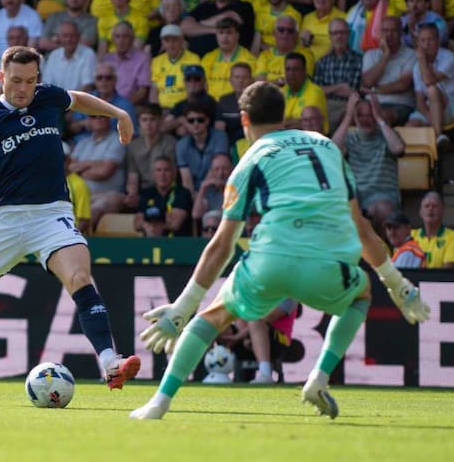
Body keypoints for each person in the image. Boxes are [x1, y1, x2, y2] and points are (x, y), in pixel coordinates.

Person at [129, 81, 430, 421]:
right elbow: (362, 230)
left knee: (213, 317)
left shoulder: (250, 160)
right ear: (285, 116)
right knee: (362, 293)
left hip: (272, 260)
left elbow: (222, 245)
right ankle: (318, 378)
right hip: (328, 262)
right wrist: (398, 285)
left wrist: (183, 307)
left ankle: (159, 403)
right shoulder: (329, 148)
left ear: (244, 120)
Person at [0, 46, 142, 390]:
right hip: (6, 218)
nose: (24, 89)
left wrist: (119, 114)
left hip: (52, 214)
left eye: (31, 81)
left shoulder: (47, 97)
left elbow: (77, 99)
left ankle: (110, 362)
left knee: (80, 276)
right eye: (16, 80)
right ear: (2, 78)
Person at [332, 93, 405, 229]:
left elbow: (398, 148)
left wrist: (380, 118)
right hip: (358, 197)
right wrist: (348, 116)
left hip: (385, 195)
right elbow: (331, 149)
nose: (366, 119)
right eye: (360, 115)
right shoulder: (350, 138)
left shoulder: (387, 136)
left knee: (381, 209)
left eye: (370, 115)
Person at [407, 23, 454, 148]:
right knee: (410, 126)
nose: (426, 44)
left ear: (438, 40)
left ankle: (437, 136)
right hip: (432, 109)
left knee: (432, 90)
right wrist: (428, 116)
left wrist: (422, 60)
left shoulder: (449, 58)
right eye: (422, 40)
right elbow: (420, 100)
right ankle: (425, 162)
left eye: (430, 40)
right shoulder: (416, 67)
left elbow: (429, 81)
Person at [360, 17, 418, 126]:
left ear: (401, 33)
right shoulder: (370, 54)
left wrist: (374, 90)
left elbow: (402, 85)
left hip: (399, 104)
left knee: (382, 116)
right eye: (385, 31)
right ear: (380, 33)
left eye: (393, 31)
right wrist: (386, 56)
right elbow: (366, 82)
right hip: (370, 104)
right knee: (348, 115)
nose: (389, 35)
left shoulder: (411, 54)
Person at [124, 103, 177, 211]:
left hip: (165, 189)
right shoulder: (133, 146)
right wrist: (132, 194)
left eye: (152, 119)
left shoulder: (171, 143)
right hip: (143, 190)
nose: (148, 124)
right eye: (144, 120)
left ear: (160, 121)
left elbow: (172, 174)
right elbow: (133, 176)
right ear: (139, 122)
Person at [313, 19, 362, 129]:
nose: (339, 37)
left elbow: (352, 91)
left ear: (348, 34)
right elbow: (317, 90)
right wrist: (338, 87)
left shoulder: (358, 60)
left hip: (347, 105)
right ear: (330, 36)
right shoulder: (322, 62)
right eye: (335, 33)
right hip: (325, 104)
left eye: (342, 32)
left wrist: (328, 89)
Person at [134, 156, 192, 237]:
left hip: (177, 243)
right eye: (158, 170)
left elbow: (175, 224)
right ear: (153, 174)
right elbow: (137, 223)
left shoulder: (182, 193)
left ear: (174, 173)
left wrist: (156, 227)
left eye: (166, 170)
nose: (162, 174)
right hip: (150, 242)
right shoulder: (146, 194)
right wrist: (146, 226)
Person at [149, 24, 201, 110]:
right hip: (162, 108)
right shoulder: (156, 61)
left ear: (182, 40)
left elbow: (195, 89)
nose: (171, 44)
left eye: (175, 40)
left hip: (185, 108)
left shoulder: (193, 59)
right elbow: (154, 91)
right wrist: (156, 111)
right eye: (167, 40)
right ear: (162, 42)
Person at [411, 191, 454, 268]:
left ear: (442, 211)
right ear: (420, 212)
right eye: (426, 206)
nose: (430, 209)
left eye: (435, 206)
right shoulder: (411, 235)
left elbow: (448, 270)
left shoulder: (453, 237)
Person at [41, 21, 96, 92]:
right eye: (65, 36)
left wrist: (71, 102)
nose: (68, 39)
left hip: (80, 101)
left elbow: (88, 86)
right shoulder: (54, 55)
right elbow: (47, 85)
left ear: (79, 37)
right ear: (59, 38)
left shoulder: (88, 54)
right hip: (55, 100)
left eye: (72, 35)